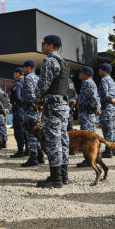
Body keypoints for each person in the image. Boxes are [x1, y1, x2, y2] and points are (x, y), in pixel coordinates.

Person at [35, 35, 71, 188]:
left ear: (50, 45)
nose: (42, 46)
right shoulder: (64, 63)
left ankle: (55, 179)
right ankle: (63, 175)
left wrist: (36, 98)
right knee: (63, 139)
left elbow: (43, 85)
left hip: (53, 106)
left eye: (44, 44)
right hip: (63, 105)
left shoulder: (49, 61)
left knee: (52, 141)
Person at [19, 60, 42, 167]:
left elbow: (29, 94)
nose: (23, 69)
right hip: (38, 110)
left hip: (30, 109)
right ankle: (40, 156)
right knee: (38, 132)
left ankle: (33, 158)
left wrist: (33, 105)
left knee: (31, 132)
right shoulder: (38, 78)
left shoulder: (28, 78)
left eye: (24, 67)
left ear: (28, 68)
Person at [97, 63, 115, 158]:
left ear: (104, 70)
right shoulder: (112, 80)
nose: (99, 70)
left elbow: (105, 95)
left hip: (107, 107)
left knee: (107, 129)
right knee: (112, 128)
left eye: (100, 69)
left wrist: (110, 100)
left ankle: (108, 151)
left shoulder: (104, 80)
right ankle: (113, 149)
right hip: (113, 108)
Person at [9, 67, 26, 158]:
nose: (14, 75)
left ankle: (20, 151)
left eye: (15, 73)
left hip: (19, 110)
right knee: (26, 130)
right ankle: (27, 150)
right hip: (26, 110)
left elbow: (17, 97)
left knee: (18, 131)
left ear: (18, 74)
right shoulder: (27, 81)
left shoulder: (18, 84)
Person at [78, 65, 100, 132]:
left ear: (86, 74)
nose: (80, 74)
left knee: (87, 135)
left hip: (87, 112)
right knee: (90, 134)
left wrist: (97, 108)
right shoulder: (89, 82)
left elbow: (93, 97)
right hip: (88, 112)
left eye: (81, 72)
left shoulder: (87, 83)